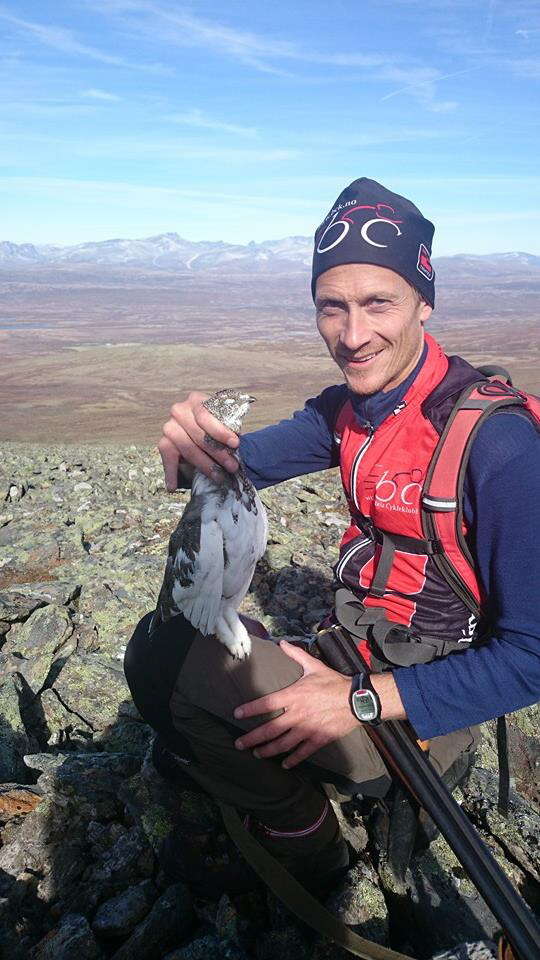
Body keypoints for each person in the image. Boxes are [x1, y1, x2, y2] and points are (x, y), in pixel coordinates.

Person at [124, 178, 540, 891]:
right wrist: (192, 447)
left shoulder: (500, 446)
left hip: (427, 708)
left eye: (379, 303)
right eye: (331, 306)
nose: (352, 336)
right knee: (185, 643)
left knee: (163, 662)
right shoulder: (348, 412)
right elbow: (234, 465)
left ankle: (308, 838)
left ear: (424, 301)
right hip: (355, 656)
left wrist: (355, 700)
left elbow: (533, 658)